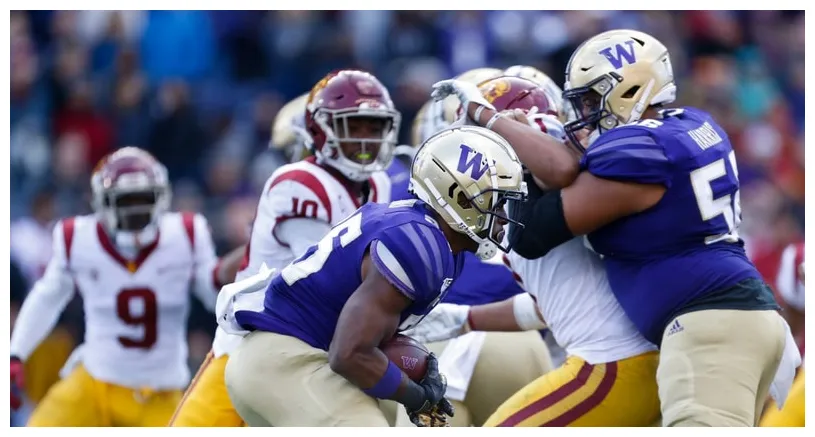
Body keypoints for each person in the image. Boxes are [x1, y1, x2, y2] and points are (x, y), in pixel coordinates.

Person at [433, 29, 800, 426]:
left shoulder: (639, 152)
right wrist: (464, 319)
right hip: (734, 316)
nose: (584, 114)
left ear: (631, 87)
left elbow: (536, 228)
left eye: (592, 99)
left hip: (707, 326)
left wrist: (501, 126)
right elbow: (560, 296)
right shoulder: (690, 123)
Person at [217, 126, 527, 426]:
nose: (505, 217)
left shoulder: (437, 242)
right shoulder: (419, 245)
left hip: (287, 358)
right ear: (460, 198)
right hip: (286, 359)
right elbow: (349, 353)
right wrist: (414, 397)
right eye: (499, 202)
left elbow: (371, 330)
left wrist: (414, 369)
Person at [407, 75, 660, 427]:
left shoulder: (547, 171)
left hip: (613, 364)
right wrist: (463, 319)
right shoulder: (523, 204)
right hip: (628, 362)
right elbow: (557, 303)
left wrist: (486, 115)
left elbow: (557, 164)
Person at [169, 70, 399, 427]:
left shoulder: (379, 184)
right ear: (321, 130)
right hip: (253, 344)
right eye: (354, 126)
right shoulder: (300, 184)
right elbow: (328, 285)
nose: (366, 139)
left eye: (374, 127)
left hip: (321, 353)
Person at [9, 147, 242, 426]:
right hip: (93, 382)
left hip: (159, 391)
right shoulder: (77, 238)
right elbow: (47, 297)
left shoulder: (187, 235)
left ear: (161, 198)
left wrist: (226, 273)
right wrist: (15, 352)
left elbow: (215, 297)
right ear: (101, 203)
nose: (135, 211)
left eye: (143, 200)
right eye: (125, 202)